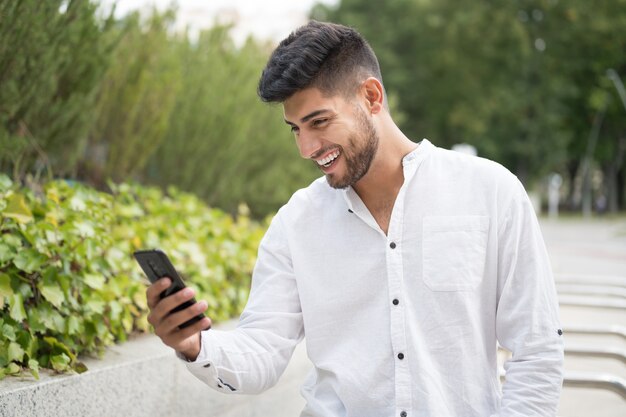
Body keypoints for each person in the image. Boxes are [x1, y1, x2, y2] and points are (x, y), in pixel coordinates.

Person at [145, 21, 564, 417]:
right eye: (295, 129)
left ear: (371, 97)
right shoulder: (297, 223)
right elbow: (263, 351)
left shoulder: (490, 192)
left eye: (319, 122)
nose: (306, 148)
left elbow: (537, 351)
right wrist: (194, 344)